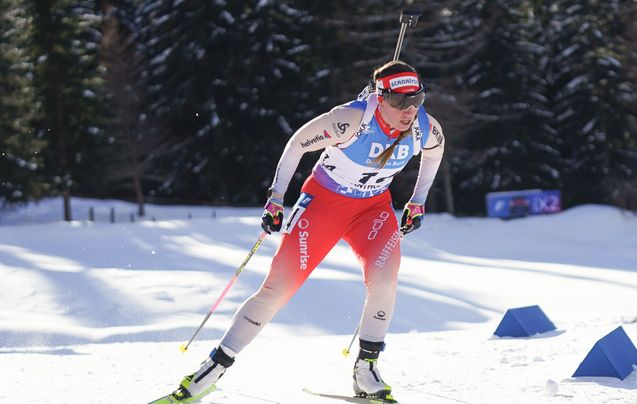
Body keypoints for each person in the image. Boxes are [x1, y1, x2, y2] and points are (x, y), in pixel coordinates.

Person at [166, 60, 445, 402]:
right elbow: (298, 143)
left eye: (417, 99)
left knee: (385, 279)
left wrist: (417, 201)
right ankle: (213, 368)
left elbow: (434, 154)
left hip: (372, 210)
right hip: (324, 206)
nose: (409, 110)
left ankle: (366, 369)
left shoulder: (423, 127)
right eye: (400, 102)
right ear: (380, 97)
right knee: (278, 289)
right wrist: (276, 198)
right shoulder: (349, 120)